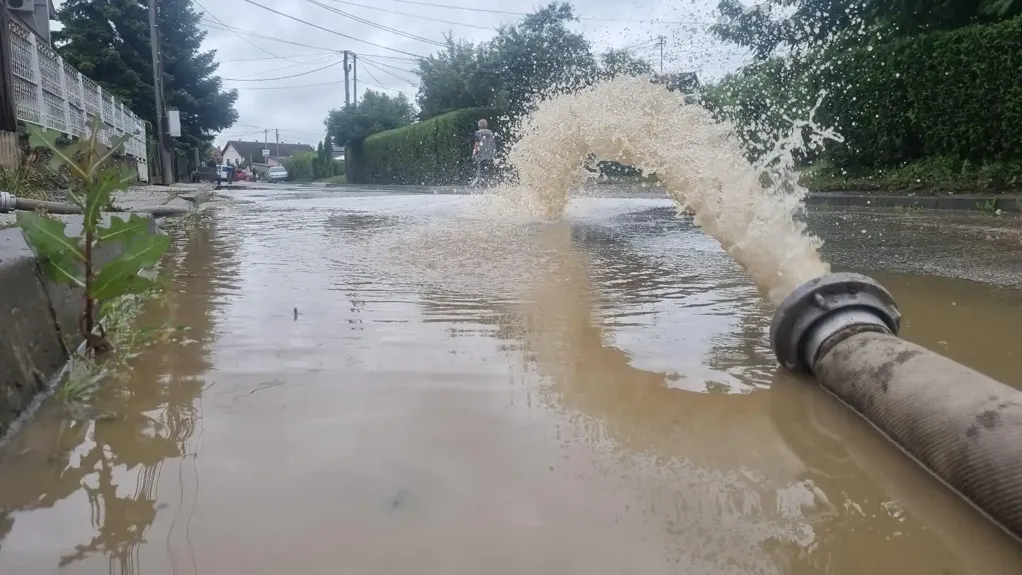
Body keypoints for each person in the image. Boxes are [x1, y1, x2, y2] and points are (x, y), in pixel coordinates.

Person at [472, 119, 498, 188]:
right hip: (490, 154)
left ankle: (483, 183)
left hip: (481, 155)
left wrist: (474, 153)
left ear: (479, 125)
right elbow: (493, 143)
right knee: (490, 170)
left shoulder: (477, 133)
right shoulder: (490, 132)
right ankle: (492, 183)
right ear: (486, 125)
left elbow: (477, 144)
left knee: (482, 170)